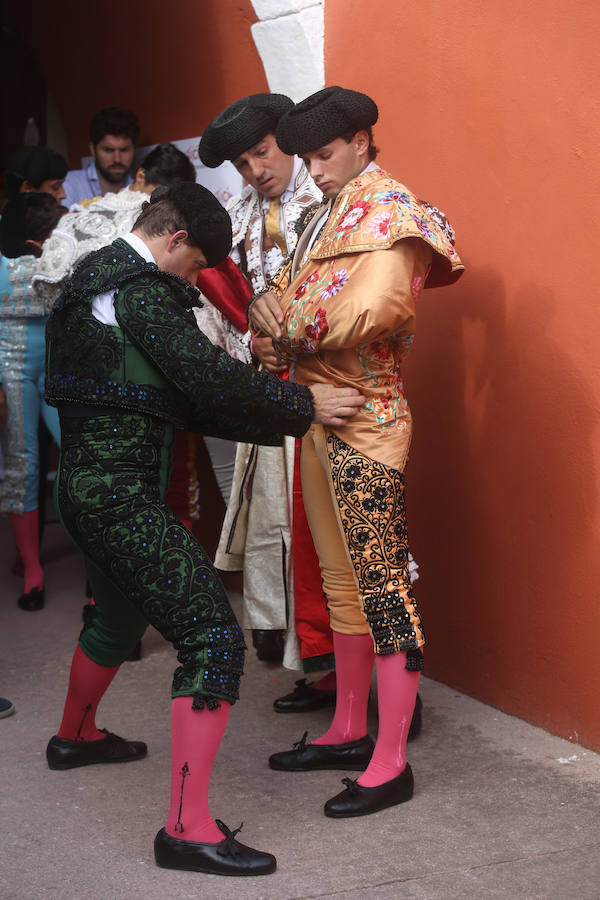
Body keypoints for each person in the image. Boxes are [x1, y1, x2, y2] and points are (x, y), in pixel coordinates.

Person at [44, 182, 364, 875]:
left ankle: (75, 736)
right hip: (121, 501)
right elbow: (206, 378)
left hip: (83, 492)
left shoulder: (87, 281)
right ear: (175, 238)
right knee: (213, 637)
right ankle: (186, 830)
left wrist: (290, 413)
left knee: (117, 620)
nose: (192, 281)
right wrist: (305, 403)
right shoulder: (144, 288)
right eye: (195, 267)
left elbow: (184, 403)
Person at [250, 86, 463, 818]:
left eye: (325, 153)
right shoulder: (321, 215)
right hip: (317, 414)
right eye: (307, 157)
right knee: (342, 583)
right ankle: (346, 726)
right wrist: (276, 321)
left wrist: (290, 328)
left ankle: (392, 760)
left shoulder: (396, 213)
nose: (314, 170)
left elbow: (376, 308)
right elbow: (266, 301)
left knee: (383, 588)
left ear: (364, 140)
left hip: (368, 419)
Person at [199, 93, 334, 683]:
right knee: (280, 534)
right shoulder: (237, 213)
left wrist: (299, 338)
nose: (257, 172)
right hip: (273, 397)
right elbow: (221, 313)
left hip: (331, 392)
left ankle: (363, 679)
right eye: (243, 164)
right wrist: (251, 346)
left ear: (288, 140)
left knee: (334, 534)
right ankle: (317, 666)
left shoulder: (332, 196)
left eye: (262, 153)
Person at [0, 175, 65, 610]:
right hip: (11, 371)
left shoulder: (63, 257)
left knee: (79, 454)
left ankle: (96, 571)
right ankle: (33, 571)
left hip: (54, 367)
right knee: (22, 463)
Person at [62, 107, 139, 208]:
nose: (117, 159)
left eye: (124, 150)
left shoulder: (140, 190)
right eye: (108, 150)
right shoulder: (69, 184)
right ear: (92, 149)